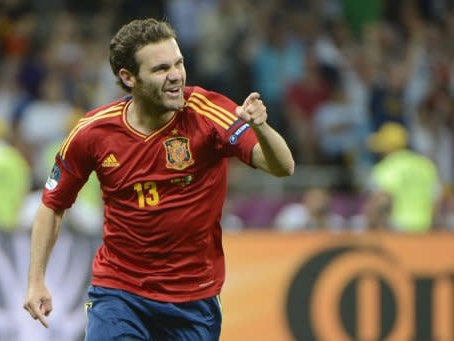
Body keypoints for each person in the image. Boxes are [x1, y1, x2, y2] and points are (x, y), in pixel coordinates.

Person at [23, 18, 294, 340]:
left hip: (194, 298)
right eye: (161, 69)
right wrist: (36, 279)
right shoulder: (92, 133)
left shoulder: (208, 113)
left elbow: (282, 167)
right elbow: (52, 205)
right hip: (119, 293)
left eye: (179, 63)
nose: (176, 76)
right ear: (128, 77)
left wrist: (261, 127)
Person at [365, 122, 440, 233]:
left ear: (387, 147)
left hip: (397, 230)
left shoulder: (385, 167)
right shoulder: (426, 165)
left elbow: (381, 200)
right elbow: (435, 201)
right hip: (424, 230)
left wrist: (372, 228)